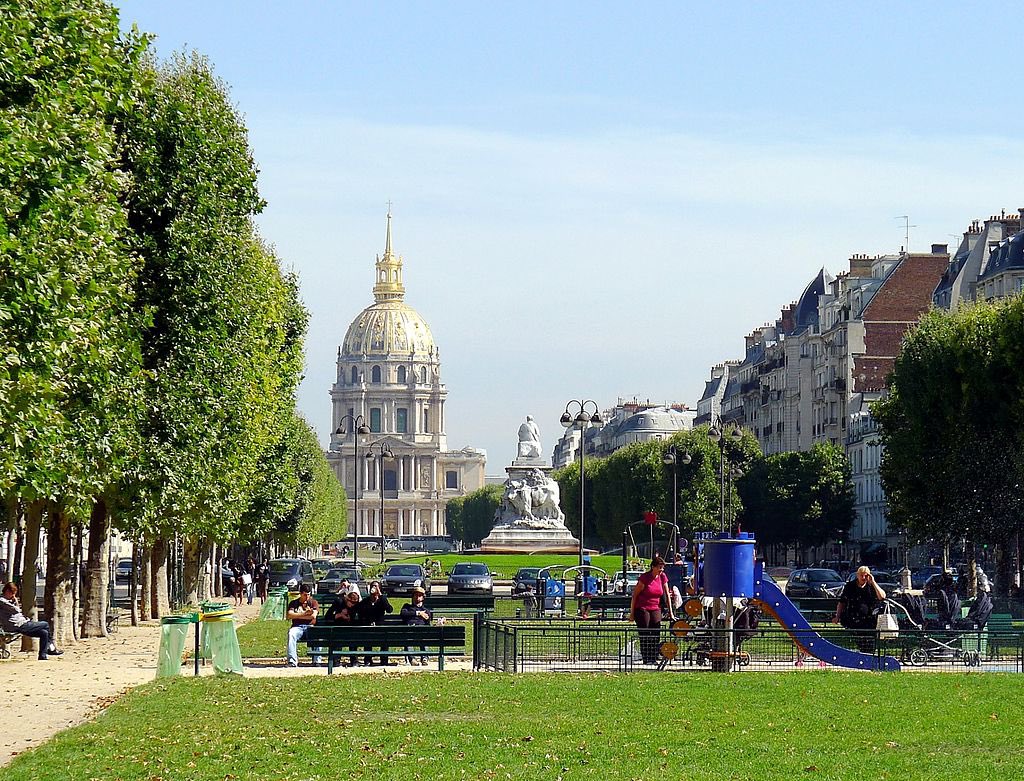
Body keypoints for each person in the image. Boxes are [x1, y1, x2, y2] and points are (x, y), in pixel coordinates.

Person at [629, 555, 675, 665]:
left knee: (655, 631)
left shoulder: (662, 577)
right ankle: (646, 658)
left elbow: (667, 595)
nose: (661, 570)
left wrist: (671, 612)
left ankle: (653, 657)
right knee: (645, 632)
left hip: (656, 607)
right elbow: (635, 596)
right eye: (659, 567)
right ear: (653, 567)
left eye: (662, 568)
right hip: (642, 607)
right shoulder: (644, 578)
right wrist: (632, 613)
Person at [0, 582, 63, 660]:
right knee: (45, 624)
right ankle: (51, 648)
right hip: (17, 625)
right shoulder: (2, 601)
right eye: (12, 593)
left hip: (22, 623)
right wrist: (16, 601)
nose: (13, 596)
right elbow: (17, 610)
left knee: (44, 633)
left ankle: (43, 655)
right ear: (7, 591)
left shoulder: (7, 601)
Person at [833, 566, 886, 630]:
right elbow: (842, 602)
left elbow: (882, 597)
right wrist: (837, 616)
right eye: (861, 575)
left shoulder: (871, 586)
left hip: (869, 619)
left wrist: (873, 582)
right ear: (857, 575)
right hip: (852, 618)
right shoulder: (850, 586)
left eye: (866, 576)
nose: (863, 578)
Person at [357, 581, 394, 665]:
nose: (374, 588)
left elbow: (389, 610)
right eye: (373, 586)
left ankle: (384, 660)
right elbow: (359, 611)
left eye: (376, 586)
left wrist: (380, 595)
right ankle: (368, 660)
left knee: (384, 639)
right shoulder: (366, 601)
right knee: (368, 638)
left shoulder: (382, 600)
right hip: (368, 626)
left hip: (380, 626)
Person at [285, 584, 320, 667]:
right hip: (297, 627)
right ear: (300, 594)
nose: (307, 597)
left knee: (317, 634)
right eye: (305, 595)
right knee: (291, 634)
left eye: (308, 594)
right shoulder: (294, 603)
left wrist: (297, 615)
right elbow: (289, 615)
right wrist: (305, 613)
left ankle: (317, 661)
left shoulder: (313, 602)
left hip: (310, 626)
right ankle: (292, 661)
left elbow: (313, 616)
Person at [400, 585, 432, 666]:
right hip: (410, 629)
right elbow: (403, 613)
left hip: (421, 630)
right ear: (413, 596)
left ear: (423, 598)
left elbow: (428, 623)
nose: (417, 597)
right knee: (408, 636)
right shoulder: (407, 607)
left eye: (420, 595)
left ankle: (424, 658)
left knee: (424, 635)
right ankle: (412, 659)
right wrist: (418, 613)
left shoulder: (426, 610)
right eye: (416, 595)